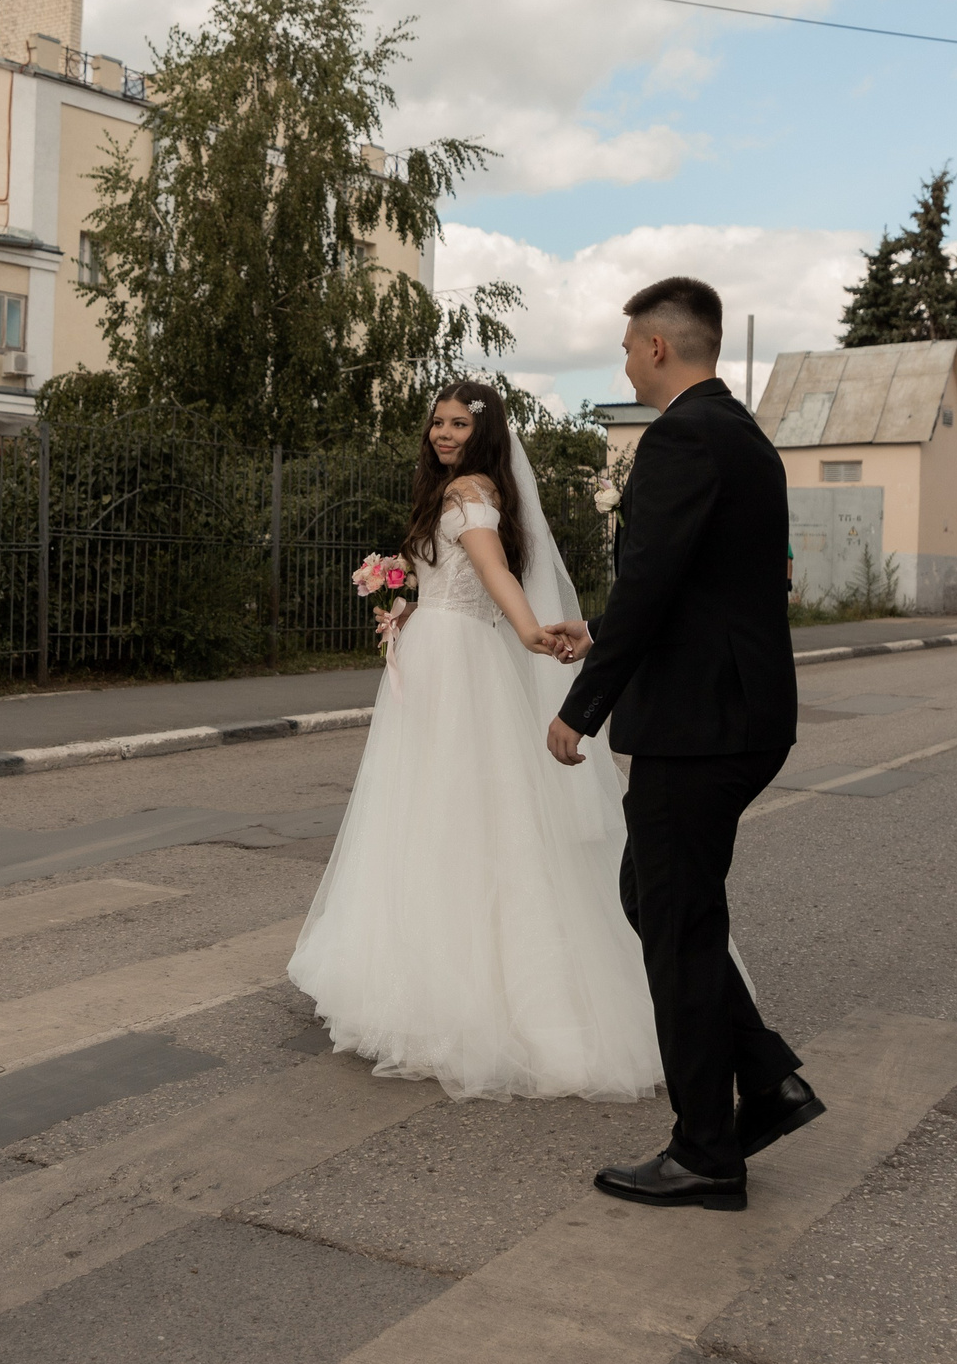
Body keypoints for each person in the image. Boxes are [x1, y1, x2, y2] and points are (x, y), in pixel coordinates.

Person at [288, 379, 667, 1108]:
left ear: (484, 431)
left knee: (454, 812)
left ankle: (461, 992)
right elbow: (456, 577)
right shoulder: (456, 491)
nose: (443, 433)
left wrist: (530, 632)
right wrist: (405, 603)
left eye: (459, 422)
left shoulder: (470, 494)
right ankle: (428, 972)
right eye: (437, 422)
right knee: (433, 808)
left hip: (460, 661)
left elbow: (492, 570)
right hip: (437, 653)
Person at [542, 277, 817, 1214]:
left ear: (660, 347)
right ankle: (767, 1079)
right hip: (733, 711)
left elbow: (651, 582)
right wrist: (610, 637)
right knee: (660, 903)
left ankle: (706, 1149)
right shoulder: (739, 433)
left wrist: (582, 706)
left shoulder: (685, 436)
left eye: (627, 347)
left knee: (678, 928)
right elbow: (697, 588)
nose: (623, 360)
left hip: (703, 725)